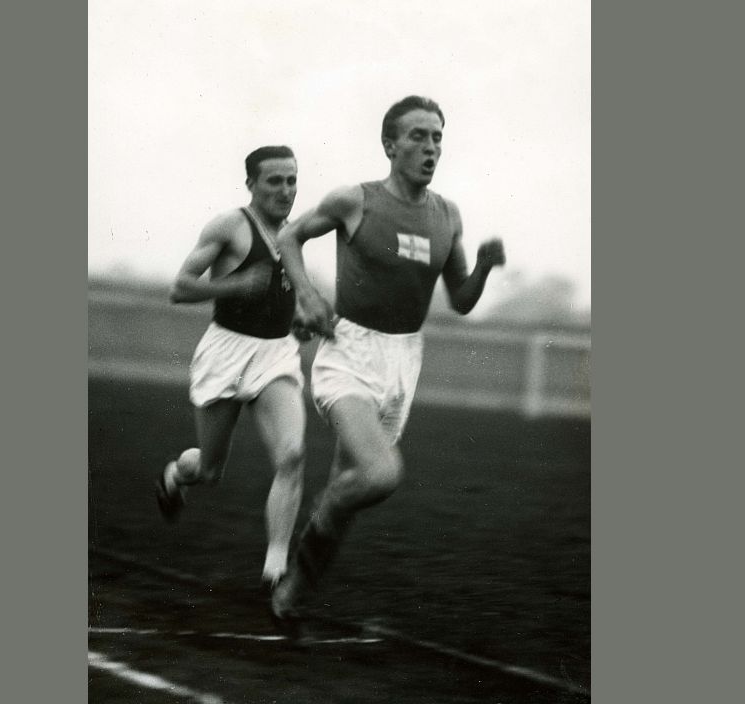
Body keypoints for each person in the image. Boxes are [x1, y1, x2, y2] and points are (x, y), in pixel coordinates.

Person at [271, 96, 506, 636]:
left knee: (352, 492)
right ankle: (315, 529)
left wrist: (487, 269)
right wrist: (305, 296)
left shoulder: (448, 215)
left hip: (403, 362)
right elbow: (289, 236)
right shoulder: (355, 201)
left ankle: (292, 595)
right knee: (379, 475)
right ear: (390, 145)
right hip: (348, 355)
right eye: (419, 136)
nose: (430, 148)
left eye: (437, 138)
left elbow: (462, 299)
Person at [155, 145, 307, 587]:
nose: (285, 190)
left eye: (292, 180)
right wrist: (238, 283)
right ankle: (174, 475)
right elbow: (179, 289)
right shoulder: (229, 226)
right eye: (274, 181)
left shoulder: (296, 233)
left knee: (293, 455)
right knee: (208, 471)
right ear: (252, 185)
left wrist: (301, 315)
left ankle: (276, 567)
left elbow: (289, 287)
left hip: (275, 355)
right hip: (226, 352)